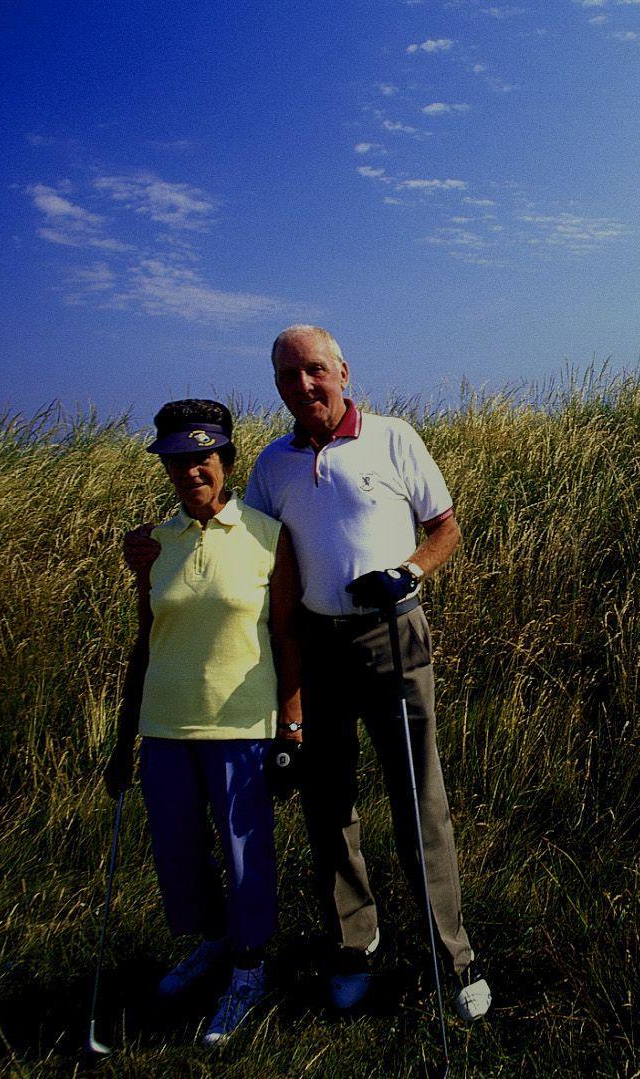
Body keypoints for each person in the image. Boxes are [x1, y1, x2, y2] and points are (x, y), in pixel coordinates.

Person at [125, 326, 492, 1020]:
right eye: (288, 376)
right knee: (328, 803)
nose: (304, 385)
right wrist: (154, 543)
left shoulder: (393, 438)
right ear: (277, 386)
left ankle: (454, 955)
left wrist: (409, 571)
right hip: (315, 641)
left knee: (420, 796)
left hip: (392, 633)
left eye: (315, 370)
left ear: (343, 371)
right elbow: (240, 539)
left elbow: (445, 527)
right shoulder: (273, 463)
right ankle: (356, 943)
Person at [106, 398, 305, 1046]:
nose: (191, 470)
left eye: (203, 457)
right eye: (177, 460)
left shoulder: (265, 535)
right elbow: (146, 640)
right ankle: (215, 942)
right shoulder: (153, 545)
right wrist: (123, 737)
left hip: (241, 724)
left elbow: (286, 638)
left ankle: (250, 970)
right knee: (179, 854)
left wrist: (291, 728)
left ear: (225, 459)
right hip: (165, 726)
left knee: (247, 857)